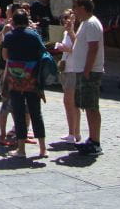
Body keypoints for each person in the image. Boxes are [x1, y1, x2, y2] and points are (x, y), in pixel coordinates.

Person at [2, 9, 47, 158]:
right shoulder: (34, 35)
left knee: (19, 113)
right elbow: (42, 51)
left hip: (15, 80)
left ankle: (21, 149)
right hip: (31, 79)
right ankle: (43, 149)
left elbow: (5, 55)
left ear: (13, 22)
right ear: (27, 22)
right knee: (36, 113)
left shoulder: (9, 36)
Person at [68, 0, 104, 155]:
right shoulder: (84, 23)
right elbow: (79, 44)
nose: (74, 11)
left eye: (75, 7)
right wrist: (70, 31)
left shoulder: (91, 24)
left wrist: (87, 70)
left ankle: (95, 142)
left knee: (91, 107)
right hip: (82, 70)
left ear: (82, 8)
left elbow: (93, 48)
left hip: (89, 72)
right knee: (87, 106)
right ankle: (91, 139)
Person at [54, 8, 80, 143]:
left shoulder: (76, 31)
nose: (65, 20)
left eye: (67, 17)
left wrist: (65, 48)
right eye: (63, 18)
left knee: (69, 101)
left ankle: (72, 133)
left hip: (73, 69)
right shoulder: (65, 32)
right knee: (72, 103)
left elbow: (78, 47)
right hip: (66, 67)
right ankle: (76, 133)